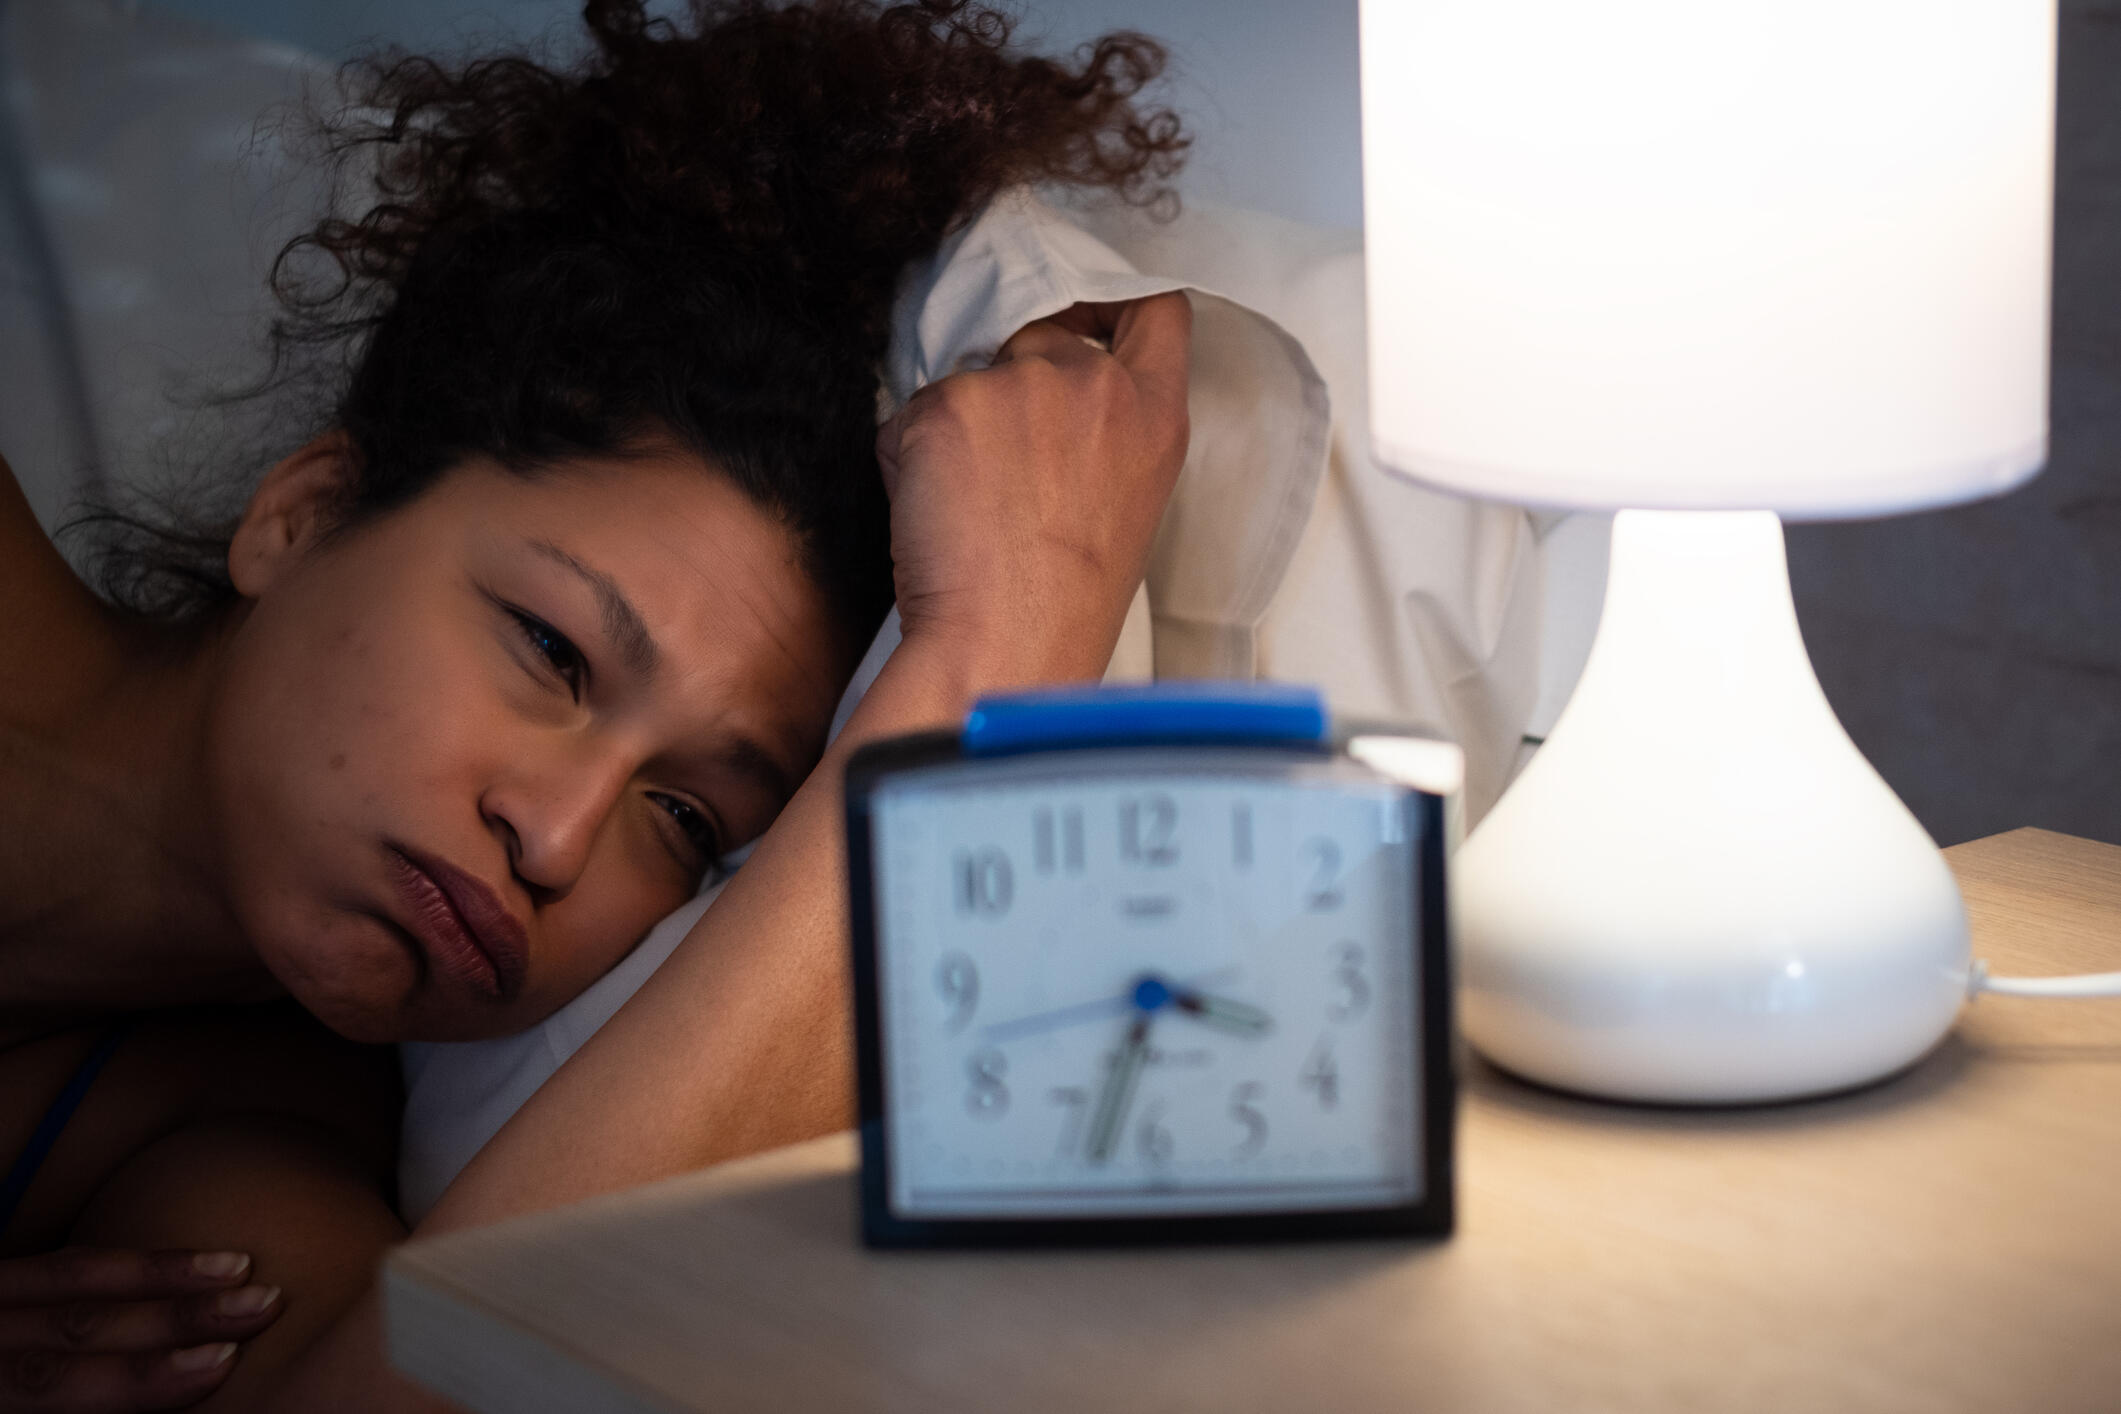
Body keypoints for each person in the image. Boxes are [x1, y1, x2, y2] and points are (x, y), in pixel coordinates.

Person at [0, 0, 1191, 1406]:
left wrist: (986, 675)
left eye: (683, 817)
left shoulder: (250, 1135)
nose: (556, 840)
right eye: (553, 653)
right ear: (304, 513)